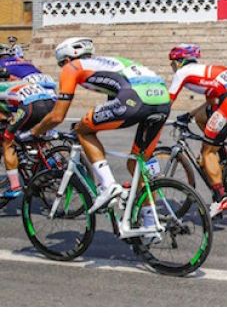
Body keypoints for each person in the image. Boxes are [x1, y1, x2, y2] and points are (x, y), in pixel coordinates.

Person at [27, 38, 171, 223]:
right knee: (137, 164)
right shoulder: (108, 62)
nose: (63, 67)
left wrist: (34, 132)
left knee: (83, 131)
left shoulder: (72, 67)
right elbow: (113, 100)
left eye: (61, 63)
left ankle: (109, 186)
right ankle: (151, 224)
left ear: (67, 59)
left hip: (136, 99)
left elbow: (57, 116)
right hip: (162, 101)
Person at [167, 44, 227, 218]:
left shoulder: (182, 72)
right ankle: (222, 156)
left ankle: (221, 198)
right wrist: (189, 115)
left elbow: (167, 101)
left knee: (207, 152)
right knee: (201, 117)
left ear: (179, 61)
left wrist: (154, 120)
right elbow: (211, 102)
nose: (172, 66)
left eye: (172, 62)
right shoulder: (205, 71)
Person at [0, 67, 56, 198]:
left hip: (30, 107)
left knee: (7, 140)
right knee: (32, 135)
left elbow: (6, 115)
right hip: (50, 103)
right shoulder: (16, 80)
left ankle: (15, 187)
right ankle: (49, 160)